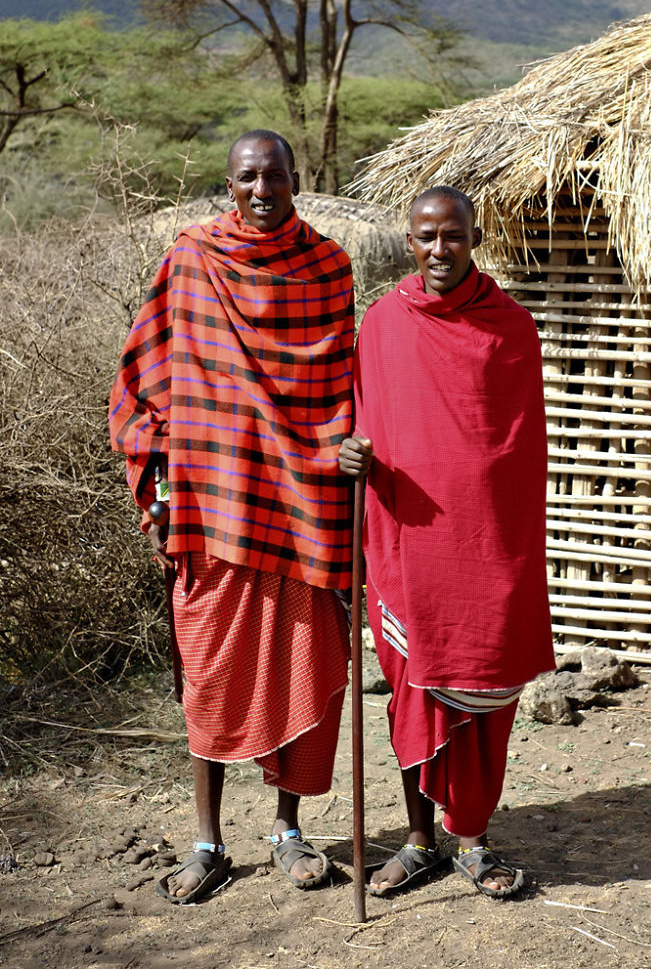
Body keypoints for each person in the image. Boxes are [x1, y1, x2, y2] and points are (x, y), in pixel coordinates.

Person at [109, 130, 354, 904]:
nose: (261, 189)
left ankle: (287, 831)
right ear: (229, 183)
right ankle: (208, 839)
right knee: (211, 673)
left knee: (306, 666)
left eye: (274, 176)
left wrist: (349, 451)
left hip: (302, 505)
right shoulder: (191, 260)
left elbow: (346, 380)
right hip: (215, 504)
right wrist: (160, 458)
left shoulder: (327, 267)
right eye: (247, 177)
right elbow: (141, 373)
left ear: (295, 180)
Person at [339, 185, 554, 900]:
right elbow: (367, 422)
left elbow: (522, 454)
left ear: (475, 238)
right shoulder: (383, 325)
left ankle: (474, 839)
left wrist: (505, 542)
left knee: (485, 685)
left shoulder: (510, 328)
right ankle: (420, 838)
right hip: (407, 542)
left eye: (453, 236)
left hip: (485, 544)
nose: (439, 250)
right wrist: (353, 458)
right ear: (410, 241)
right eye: (426, 236)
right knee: (411, 692)